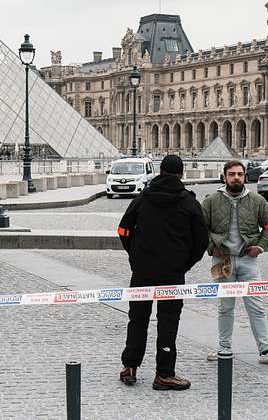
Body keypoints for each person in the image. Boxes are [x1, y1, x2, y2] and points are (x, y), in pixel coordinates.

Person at [117, 154, 209, 390]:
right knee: (168, 322)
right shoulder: (189, 202)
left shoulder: (142, 198)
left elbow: (123, 229)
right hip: (172, 273)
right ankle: (164, 374)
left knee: (137, 319)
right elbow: (202, 241)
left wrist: (135, 256)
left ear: (159, 172)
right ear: (181, 174)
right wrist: (184, 263)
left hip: (142, 271)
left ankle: (130, 366)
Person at [201, 160, 268, 366]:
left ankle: (266, 351)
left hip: (248, 261)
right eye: (232, 174)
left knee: (256, 306)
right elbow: (200, 226)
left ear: (245, 176)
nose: (236, 178)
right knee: (225, 307)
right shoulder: (212, 200)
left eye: (240, 174)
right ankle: (224, 348)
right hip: (221, 261)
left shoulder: (257, 200)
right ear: (224, 177)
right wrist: (210, 246)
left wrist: (260, 247)